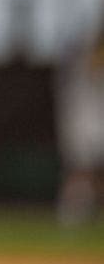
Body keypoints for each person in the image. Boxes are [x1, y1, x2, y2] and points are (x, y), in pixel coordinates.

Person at [55, 20, 104, 227]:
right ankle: (72, 215)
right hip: (83, 117)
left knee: (94, 172)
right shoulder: (82, 48)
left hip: (94, 116)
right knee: (81, 170)